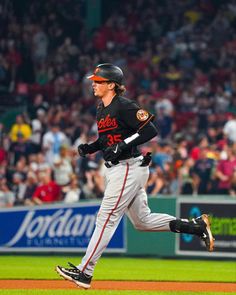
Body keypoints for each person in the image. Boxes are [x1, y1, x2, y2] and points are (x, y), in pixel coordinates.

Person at [56, 63, 214, 289]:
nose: (93, 84)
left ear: (111, 84)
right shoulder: (102, 108)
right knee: (142, 221)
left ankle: (84, 271)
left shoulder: (124, 105)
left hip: (128, 167)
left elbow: (150, 130)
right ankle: (196, 226)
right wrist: (90, 148)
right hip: (120, 168)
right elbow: (108, 140)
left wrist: (123, 145)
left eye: (98, 81)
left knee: (106, 217)